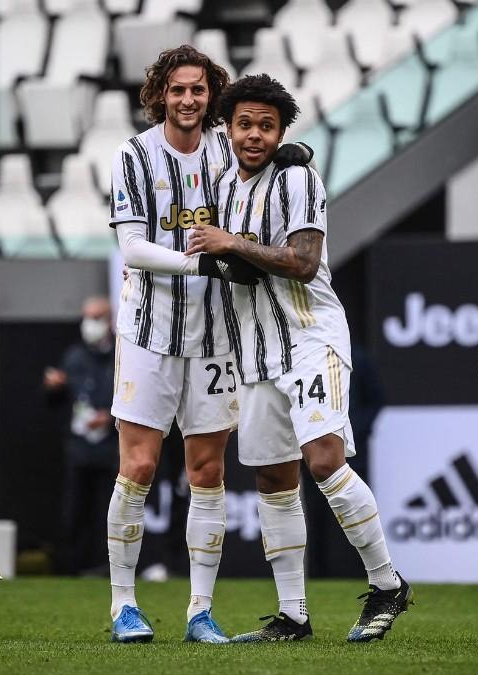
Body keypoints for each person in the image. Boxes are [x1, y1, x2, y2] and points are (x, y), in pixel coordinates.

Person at [187, 74, 412, 644]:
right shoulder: (224, 188)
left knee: (323, 460)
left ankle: (387, 583)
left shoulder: (297, 177)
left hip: (312, 339)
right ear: (228, 129)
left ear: (282, 130)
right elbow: (234, 265)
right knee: (271, 478)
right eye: (245, 124)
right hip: (254, 351)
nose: (255, 135)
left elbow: (303, 261)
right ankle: (293, 615)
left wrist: (229, 243)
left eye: (267, 124)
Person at [104, 44, 311, 644]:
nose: (189, 100)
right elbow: (133, 249)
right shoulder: (136, 156)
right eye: (178, 90)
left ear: (211, 95)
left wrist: (295, 154)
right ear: (160, 95)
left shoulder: (230, 147)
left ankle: (199, 612)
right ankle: (123, 605)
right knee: (139, 466)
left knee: (208, 470)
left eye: (199, 90)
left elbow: (272, 167)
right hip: (148, 331)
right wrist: (207, 266)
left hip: (219, 334)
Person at [44, 296, 118, 575]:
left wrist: (110, 416)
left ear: (110, 320)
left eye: (97, 317)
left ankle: (107, 567)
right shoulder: (74, 356)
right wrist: (55, 388)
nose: (90, 324)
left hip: (111, 449)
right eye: (87, 317)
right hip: (79, 447)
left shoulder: (121, 355)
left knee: (107, 511)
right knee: (75, 510)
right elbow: (60, 403)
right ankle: (73, 567)